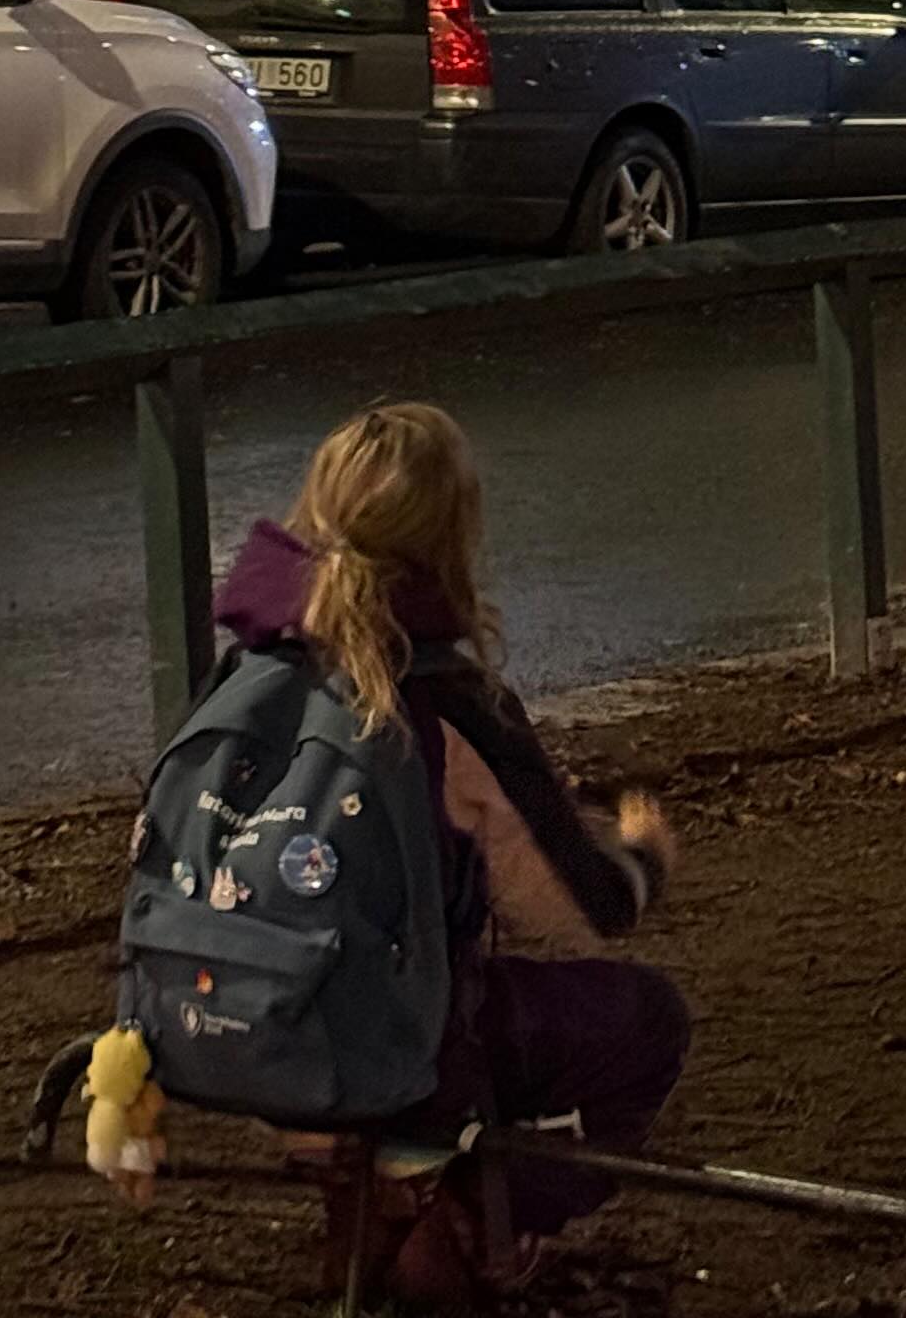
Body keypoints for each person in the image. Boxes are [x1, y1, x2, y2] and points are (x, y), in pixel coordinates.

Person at [217, 401, 688, 1304]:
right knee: (643, 1020)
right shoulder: (449, 699)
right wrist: (643, 858)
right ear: (453, 532)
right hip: (402, 1052)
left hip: (253, 1035)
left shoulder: (246, 672)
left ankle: (377, 1187)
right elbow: (578, 906)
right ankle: (471, 1211)